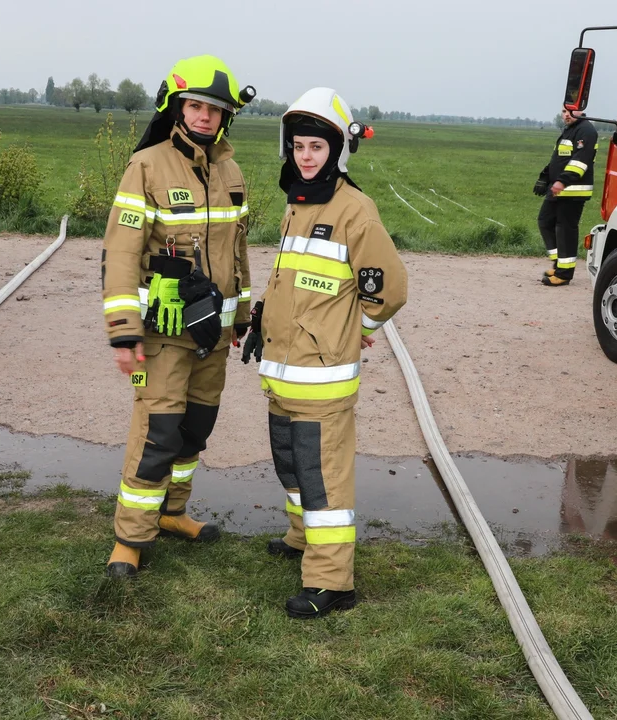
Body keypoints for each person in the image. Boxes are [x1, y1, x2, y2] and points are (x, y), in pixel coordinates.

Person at [242, 88, 407, 618]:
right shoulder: (300, 202)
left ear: (337, 150)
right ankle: (300, 538)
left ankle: (331, 582)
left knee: (322, 478)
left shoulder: (354, 209)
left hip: (322, 379)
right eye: (298, 146)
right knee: (290, 466)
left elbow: (390, 288)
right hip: (284, 374)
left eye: (316, 146)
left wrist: (355, 327)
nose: (306, 155)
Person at [100, 55, 255, 579]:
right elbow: (120, 254)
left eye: (215, 109)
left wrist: (242, 318)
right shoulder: (146, 166)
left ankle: (171, 513)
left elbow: (239, 253)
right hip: (164, 334)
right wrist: (124, 333)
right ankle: (130, 538)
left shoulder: (232, 172)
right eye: (195, 106)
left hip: (213, 334)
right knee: (157, 431)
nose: (205, 117)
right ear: (176, 108)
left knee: (195, 429)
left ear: (225, 117)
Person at [534, 107, 598, 286]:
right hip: (559, 189)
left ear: (583, 110)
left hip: (574, 190)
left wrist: (562, 181)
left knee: (565, 230)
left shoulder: (586, 130)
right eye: (564, 110)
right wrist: (545, 176)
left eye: (572, 110)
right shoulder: (569, 130)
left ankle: (564, 274)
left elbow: (580, 161)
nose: (567, 114)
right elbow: (559, 158)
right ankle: (559, 263)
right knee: (545, 222)